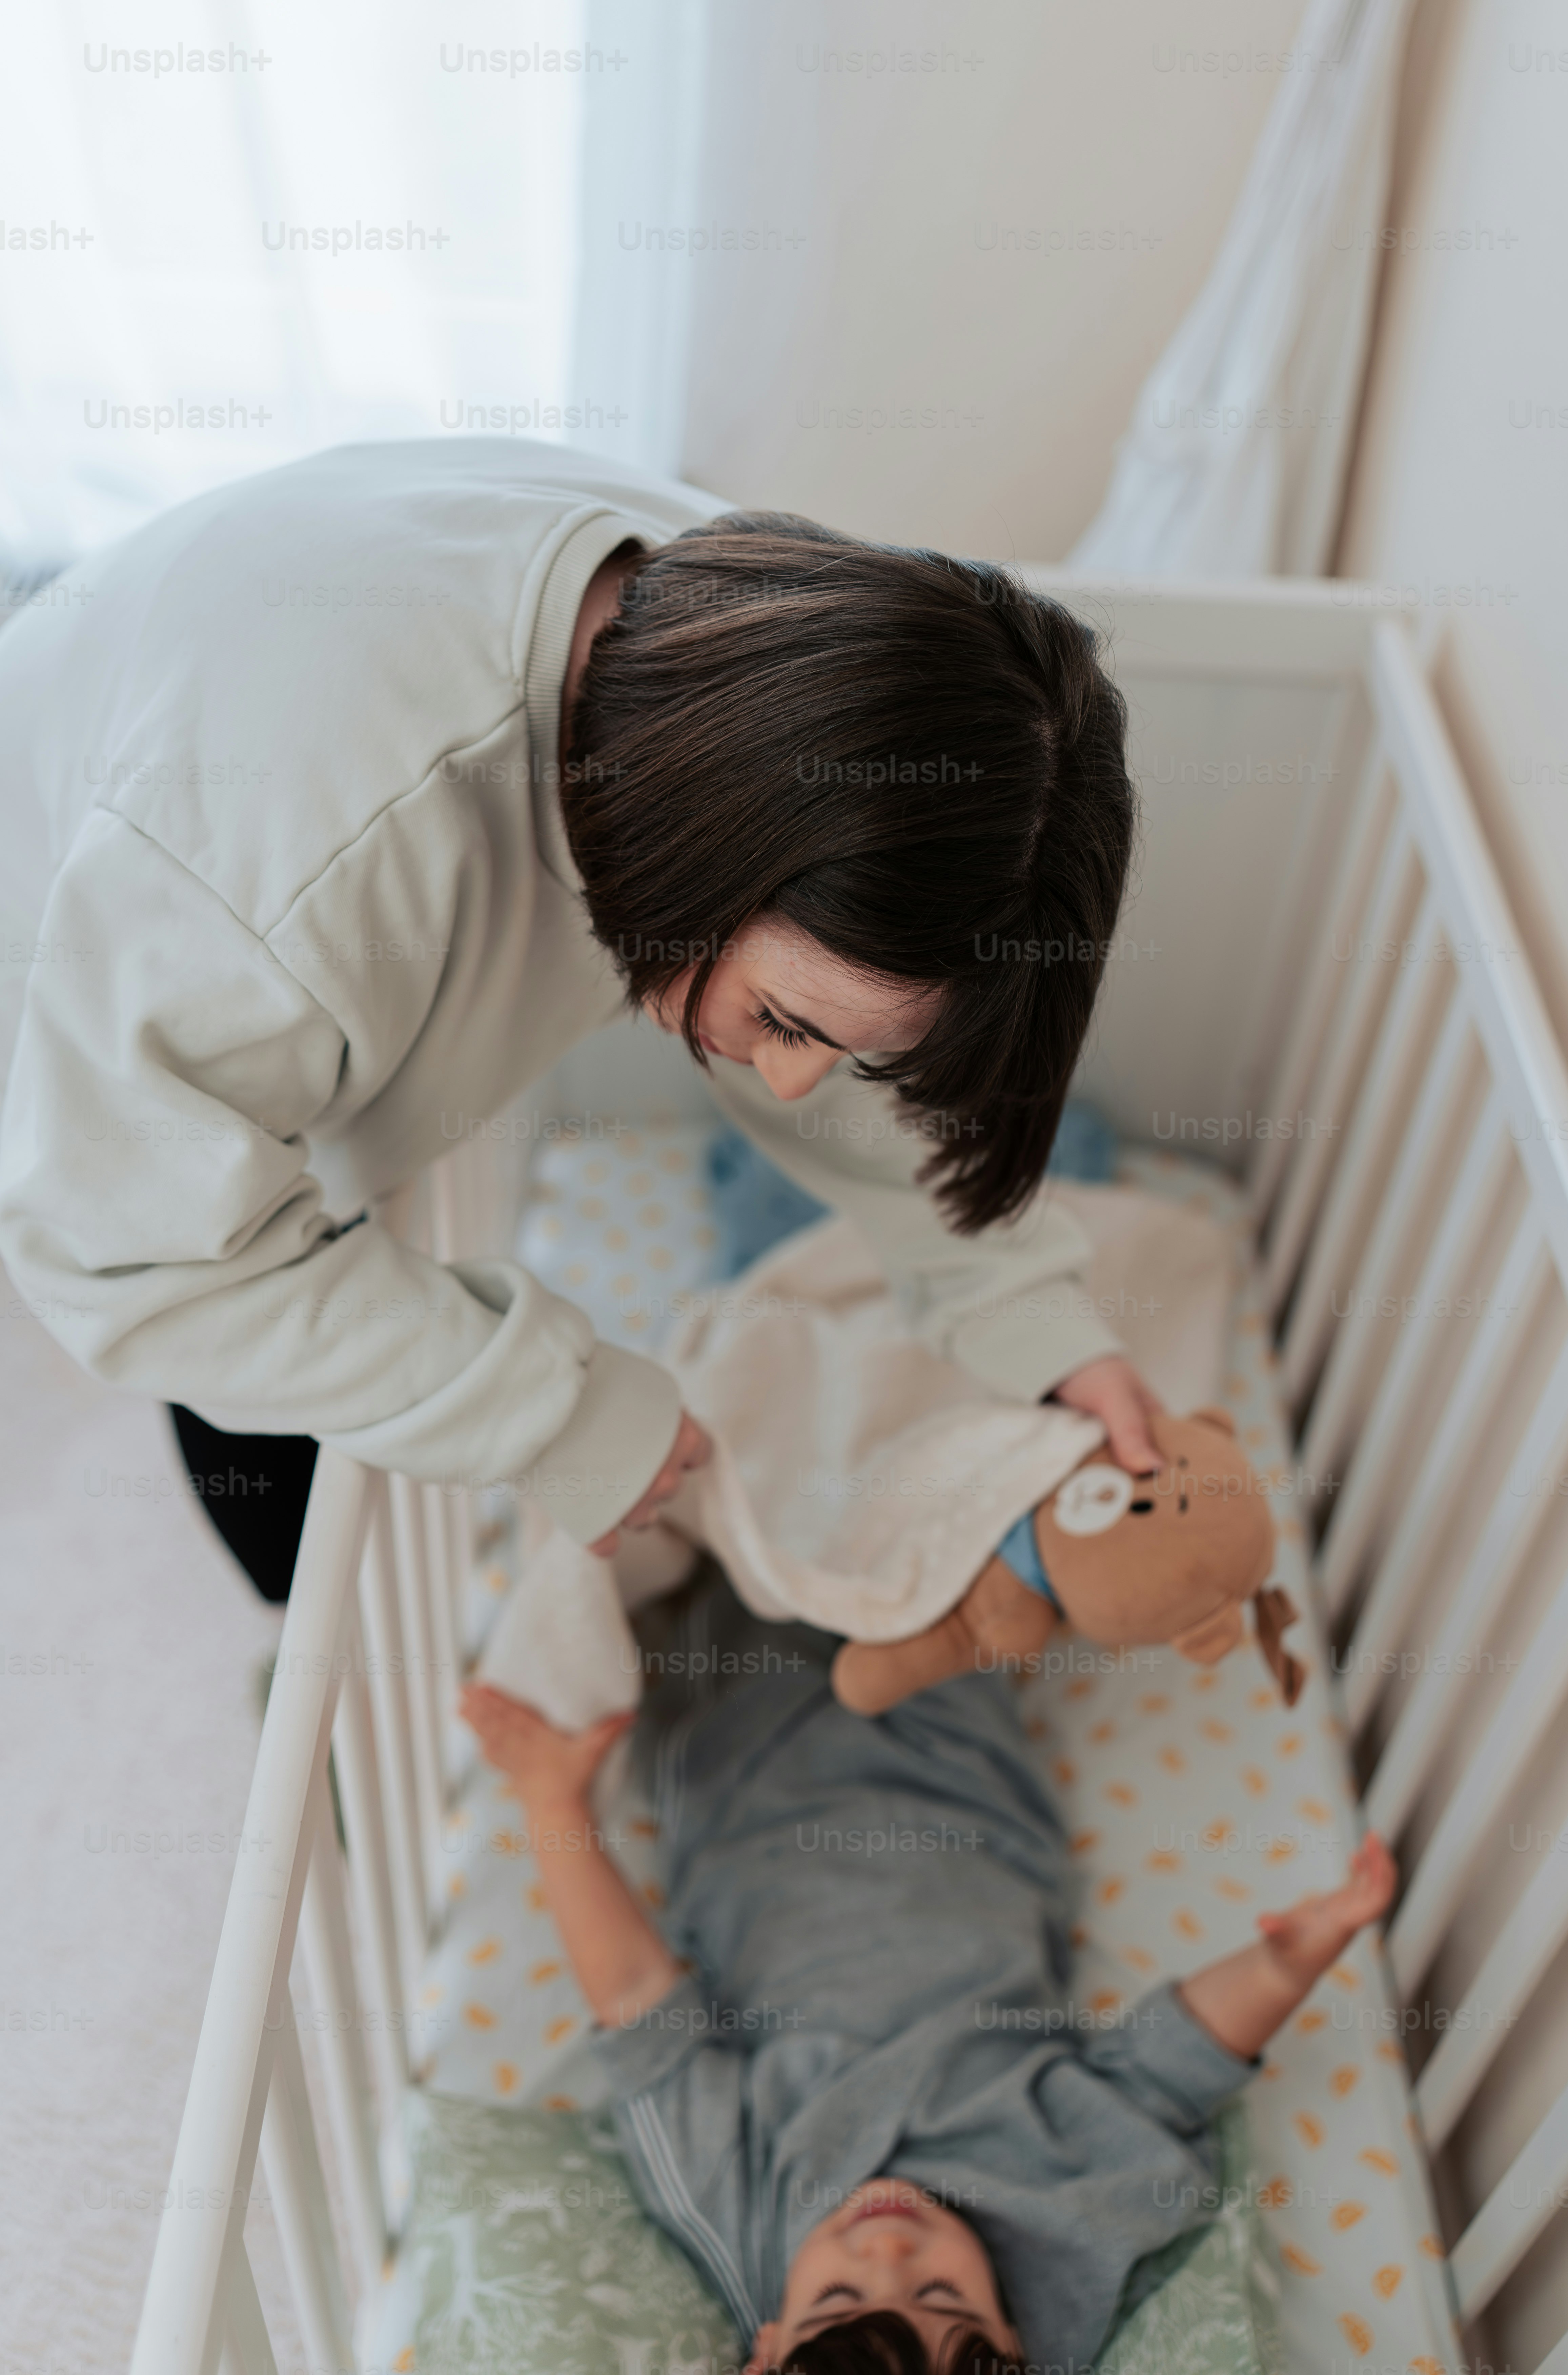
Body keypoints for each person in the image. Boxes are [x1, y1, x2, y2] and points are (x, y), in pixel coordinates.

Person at [0, 437, 1158, 1602]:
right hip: (55, 928)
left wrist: (1025, 1317)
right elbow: (136, 1253)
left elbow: (853, 1004)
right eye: (785, 1027)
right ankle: (307, 1658)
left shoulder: (760, 652)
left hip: (195, 758)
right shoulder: (290, 849)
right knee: (260, 1415)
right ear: (710, 846)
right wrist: (558, 1409)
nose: (797, 1084)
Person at [460, 1579, 1396, 2371]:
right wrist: (1286, 1963)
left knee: (739, 1548)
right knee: (920, 1554)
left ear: (770, 2348)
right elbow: (1165, 2069)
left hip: (751, 1760)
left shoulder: (740, 2223)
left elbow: (640, 2008)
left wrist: (553, 1798)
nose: (886, 2243)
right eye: (944, 2292)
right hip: (965, 1761)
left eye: (833, 2299)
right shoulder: (1064, 2222)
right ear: (1014, 2340)